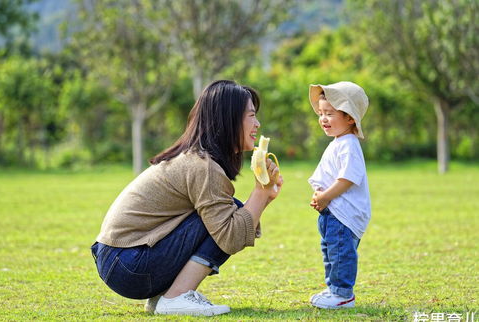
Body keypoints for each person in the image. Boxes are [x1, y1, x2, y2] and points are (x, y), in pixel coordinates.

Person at [90, 80, 283, 317]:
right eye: (251, 116)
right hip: (127, 264)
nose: (257, 124)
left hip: (121, 261)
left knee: (228, 213)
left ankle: (164, 298)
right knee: (226, 219)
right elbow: (230, 237)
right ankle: (176, 297)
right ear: (229, 119)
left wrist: (265, 197)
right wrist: (260, 192)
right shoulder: (203, 167)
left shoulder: (197, 160)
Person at [307, 81, 371, 309]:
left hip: (342, 214)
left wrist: (325, 197)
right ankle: (334, 289)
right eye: (321, 113)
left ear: (350, 118)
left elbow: (347, 178)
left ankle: (344, 294)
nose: (323, 118)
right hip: (332, 212)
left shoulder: (349, 144)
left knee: (341, 253)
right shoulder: (338, 142)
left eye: (330, 114)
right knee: (331, 252)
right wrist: (320, 193)